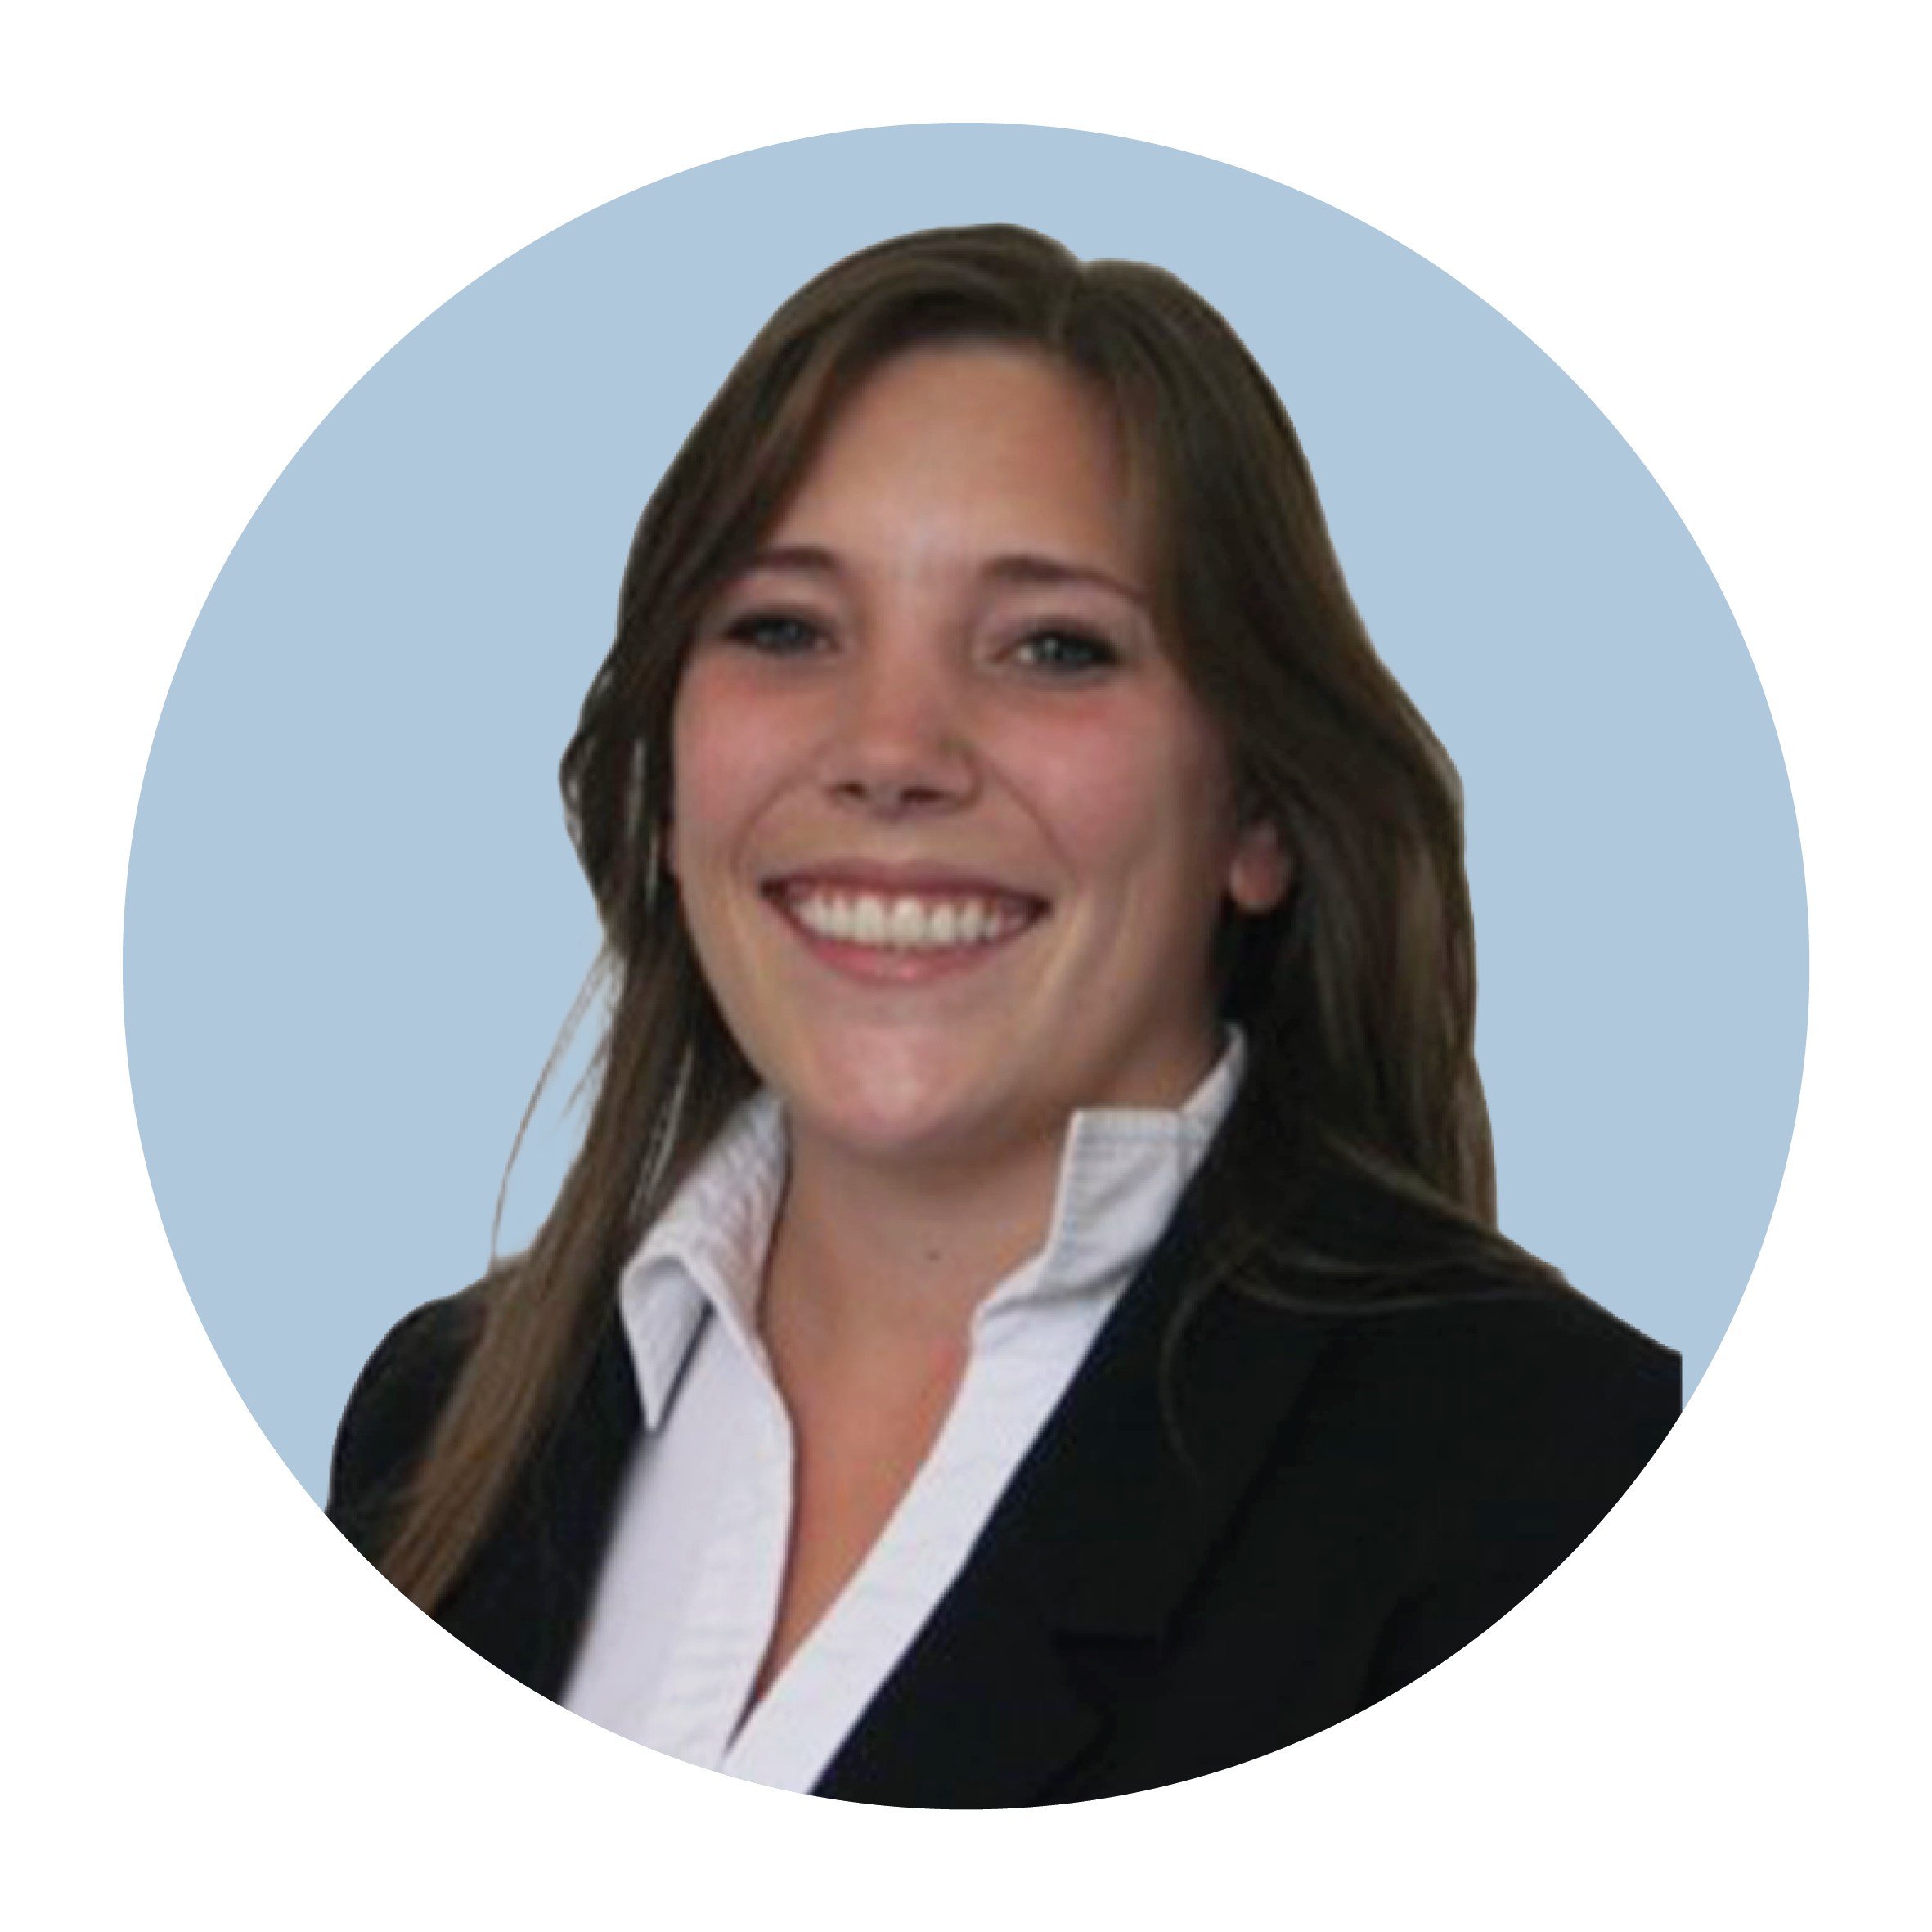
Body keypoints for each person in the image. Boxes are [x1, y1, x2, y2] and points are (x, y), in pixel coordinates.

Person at [327, 223, 1680, 1806]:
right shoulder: (436, 1429)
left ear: (1256, 811)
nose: (891, 748)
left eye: (1053, 648)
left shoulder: (1564, 1488)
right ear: (668, 771)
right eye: (784, 627)